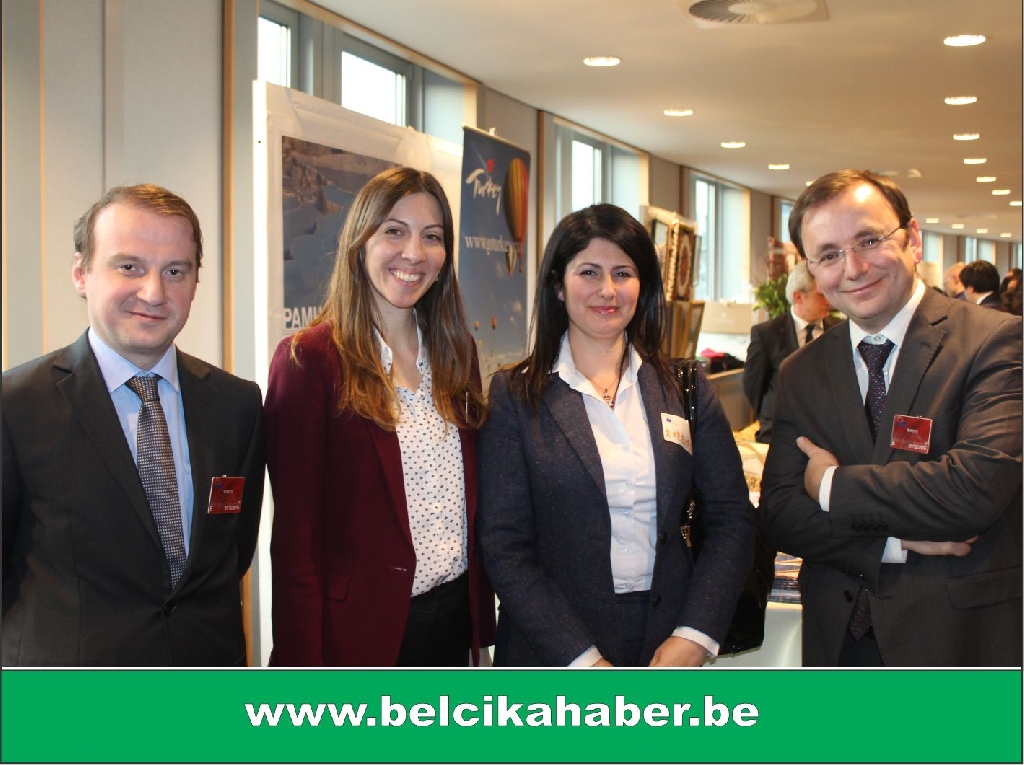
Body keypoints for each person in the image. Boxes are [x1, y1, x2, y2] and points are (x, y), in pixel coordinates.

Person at [758, 170, 1022, 667]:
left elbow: (973, 490)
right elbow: (781, 513)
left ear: (912, 239)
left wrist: (830, 485)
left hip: (958, 642)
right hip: (839, 645)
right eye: (829, 255)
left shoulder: (996, 342)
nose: (854, 268)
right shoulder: (801, 371)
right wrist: (891, 542)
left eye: (869, 240)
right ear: (811, 270)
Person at [477, 204, 755, 667]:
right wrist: (582, 660)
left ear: (642, 287)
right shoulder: (516, 395)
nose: (607, 290)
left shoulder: (684, 388)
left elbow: (732, 518)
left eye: (623, 273)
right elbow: (504, 545)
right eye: (589, 272)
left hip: (669, 646)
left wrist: (695, 634)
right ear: (558, 286)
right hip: (554, 652)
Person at [2, 184, 265, 666]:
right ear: (81, 272)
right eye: (129, 267)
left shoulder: (237, 404)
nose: (154, 293)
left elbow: (232, 553)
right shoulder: (15, 406)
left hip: (205, 689)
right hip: (73, 700)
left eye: (175, 271)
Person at [265, 166, 495, 666]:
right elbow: (295, 541)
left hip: (453, 625)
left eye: (431, 237)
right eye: (394, 231)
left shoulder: (458, 354)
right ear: (360, 241)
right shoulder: (310, 361)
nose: (414, 253)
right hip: (358, 638)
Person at [743, 261, 839, 443]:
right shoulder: (767, 334)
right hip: (779, 432)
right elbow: (753, 386)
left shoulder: (840, 330)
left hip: (828, 434)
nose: (828, 301)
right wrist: (768, 416)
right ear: (798, 297)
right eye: (821, 295)